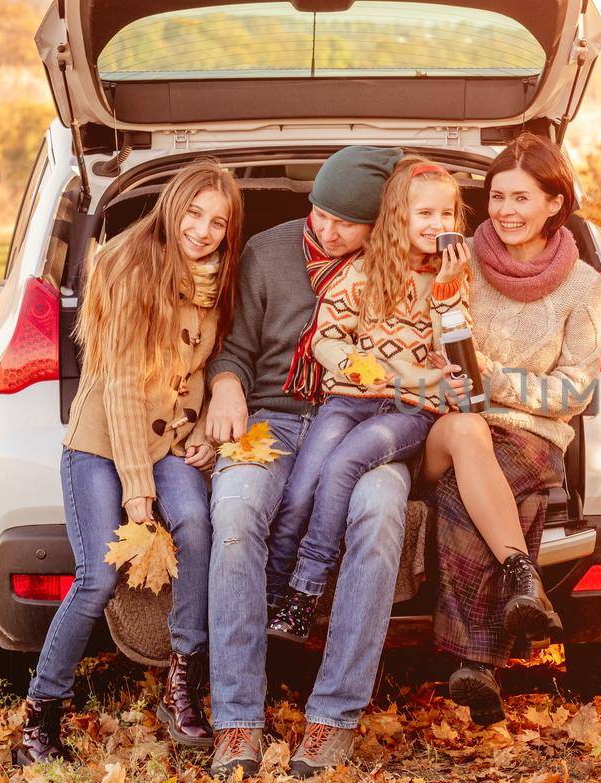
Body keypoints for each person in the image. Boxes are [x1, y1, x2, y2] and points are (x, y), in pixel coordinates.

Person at [14, 160, 243, 765]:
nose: (202, 230)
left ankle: (181, 688)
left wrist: (204, 436)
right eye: (193, 213)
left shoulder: (219, 281)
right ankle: (40, 714)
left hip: (168, 444)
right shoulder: (123, 265)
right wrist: (137, 493)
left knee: (197, 528)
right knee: (97, 576)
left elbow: (202, 369)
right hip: (100, 444)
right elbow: (118, 385)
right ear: (171, 206)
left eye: (217, 221)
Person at [203, 146, 418, 779]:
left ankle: (333, 718)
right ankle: (237, 719)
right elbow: (232, 347)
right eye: (319, 213)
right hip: (269, 417)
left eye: (344, 223)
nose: (324, 230)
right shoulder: (267, 253)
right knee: (237, 513)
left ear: (378, 226)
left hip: (364, 422)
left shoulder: (401, 269)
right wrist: (225, 385)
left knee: (380, 515)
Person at [421, 133, 601, 725]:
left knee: (462, 494)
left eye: (521, 198)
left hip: (533, 437)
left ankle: (476, 666)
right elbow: (436, 348)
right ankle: (520, 592)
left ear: (555, 203)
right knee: (485, 475)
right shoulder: (461, 262)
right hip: (456, 423)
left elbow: (576, 390)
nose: (505, 211)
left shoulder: (582, 286)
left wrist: (494, 379)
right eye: (497, 197)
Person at [264, 157, 471, 647]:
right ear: (398, 215)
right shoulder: (361, 272)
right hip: (348, 400)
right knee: (298, 490)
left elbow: (456, 352)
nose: (436, 225)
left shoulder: (453, 281)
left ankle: (304, 590)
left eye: (447, 215)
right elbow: (326, 339)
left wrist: (444, 293)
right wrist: (365, 367)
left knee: (344, 466)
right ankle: (271, 594)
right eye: (424, 214)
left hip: (409, 413)